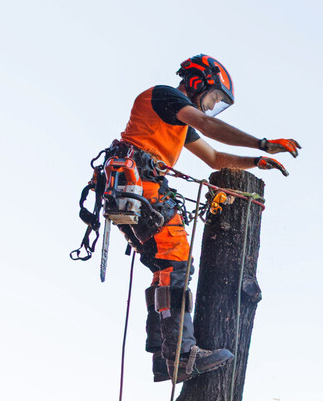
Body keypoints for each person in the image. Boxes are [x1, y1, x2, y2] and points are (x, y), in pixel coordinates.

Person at [98, 55, 300, 382]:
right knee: (177, 261)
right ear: (197, 82)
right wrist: (262, 143)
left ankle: (163, 355)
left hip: (132, 189)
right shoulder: (165, 96)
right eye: (214, 96)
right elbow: (208, 126)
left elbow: (215, 158)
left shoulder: (180, 122)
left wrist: (255, 161)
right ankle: (181, 355)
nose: (212, 105)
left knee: (166, 268)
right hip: (141, 185)